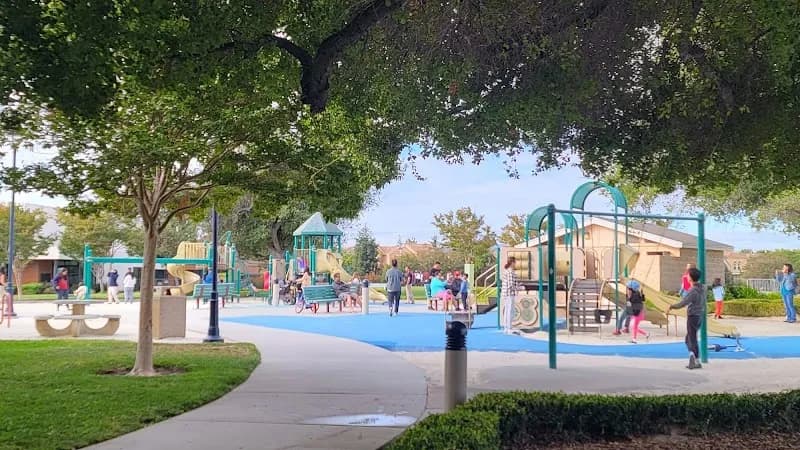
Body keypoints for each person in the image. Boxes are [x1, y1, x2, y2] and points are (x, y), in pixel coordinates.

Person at [668, 267, 704, 370]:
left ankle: (693, 357)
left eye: (688, 275)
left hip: (693, 316)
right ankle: (696, 359)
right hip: (699, 315)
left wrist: (673, 306)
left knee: (691, 339)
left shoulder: (692, 290)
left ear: (691, 277)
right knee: (690, 338)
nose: (687, 276)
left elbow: (684, 303)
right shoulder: (702, 288)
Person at [501, 257, 519, 334]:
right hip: (509, 294)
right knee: (510, 311)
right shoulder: (510, 272)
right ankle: (509, 327)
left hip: (507, 293)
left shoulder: (507, 271)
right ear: (512, 263)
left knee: (508, 310)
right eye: (515, 262)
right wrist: (519, 288)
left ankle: (507, 327)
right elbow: (511, 285)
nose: (515, 264)